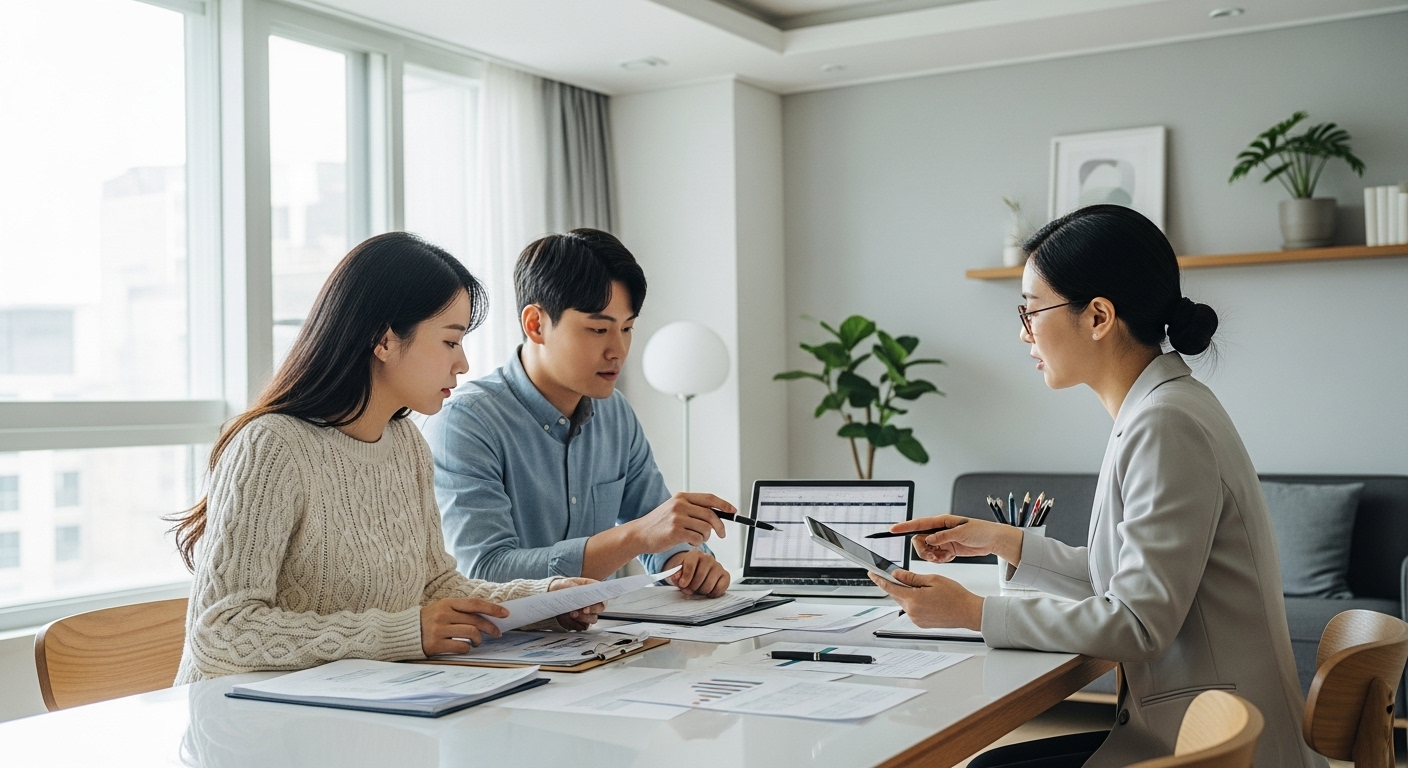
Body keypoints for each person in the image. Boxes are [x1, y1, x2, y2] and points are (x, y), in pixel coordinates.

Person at [870, 205, 1322, 768]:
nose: (1022, 332)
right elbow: (1128, 582)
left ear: (1099, 316)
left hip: (1210, 746)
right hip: (1198, 726)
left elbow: (1137, 623)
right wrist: (1002, 540)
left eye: (1031, 310)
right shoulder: (1163, 406)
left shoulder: (1165, 423)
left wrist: (972, 612)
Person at [171, 232, 601, 684]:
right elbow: (222, 630)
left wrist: (546, 601)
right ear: (385, 340)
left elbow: (437, 589)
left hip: (357, 710)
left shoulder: (406, 445)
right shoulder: (271, 446)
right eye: (451, 342)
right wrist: (402, 632)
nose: (463, 364)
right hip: (241, 729)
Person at [423, 228, 735, 597]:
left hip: (597, 639)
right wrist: (635, 537)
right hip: (502, 650)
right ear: (535, 325)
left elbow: (656, 525)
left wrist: (684, 561)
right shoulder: (466, 423)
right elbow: (485, 570)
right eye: (598, 329)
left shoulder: (615, 414)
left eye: (627, 328)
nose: (618, 350)